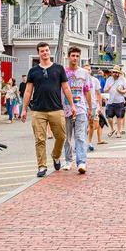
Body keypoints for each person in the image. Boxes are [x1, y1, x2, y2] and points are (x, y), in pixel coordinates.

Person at [21, 42, 76, 177]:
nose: (44, 53)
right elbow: (28, 91)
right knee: (40, 139)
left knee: (61, 136)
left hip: (56, 109)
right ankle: (41, 166)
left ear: (49, 52)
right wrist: (23, 109)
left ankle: (56, 155)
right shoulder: (33, 71)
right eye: (42, 51)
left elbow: (66, 88)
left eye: (46, 50)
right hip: (38, 110)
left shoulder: (58, 68)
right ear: (38, 53)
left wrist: (72, 105)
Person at [61, 48, 92, 173]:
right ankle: (68, 159)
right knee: (66, 137)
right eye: (73, 55)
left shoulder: (84, 73)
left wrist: (90, 108)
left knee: (80, 136)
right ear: (68, 57)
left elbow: (87, 91)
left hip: (80, 108)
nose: (75, 58)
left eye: (77, 56)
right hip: (65, 108)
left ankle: (81, 162)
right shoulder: (63, 72)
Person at [104, 65, 126, 138]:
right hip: (111, 101)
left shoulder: (122, 79)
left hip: (120, 101)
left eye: (117, 73)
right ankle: (112, 129)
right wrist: (108, 88)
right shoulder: (109, 80)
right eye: (114, 72)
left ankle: (118, 131)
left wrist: (121, 91)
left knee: (119, 117)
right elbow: (104, 90)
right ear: (112, 73)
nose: (116, 74)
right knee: (109, 116)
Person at [84, 64, 105, 151]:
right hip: (82, 105)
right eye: (85, 70)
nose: (87, 71)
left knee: (92, 123)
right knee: (82, 124)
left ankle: (89, 142)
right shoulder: (80, 80)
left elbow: (98, 94)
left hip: (92, 105)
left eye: (88, 70)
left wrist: (100, 106)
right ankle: (81, 143)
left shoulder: (95, 80)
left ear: (91, 71)